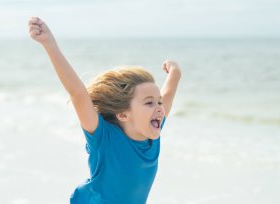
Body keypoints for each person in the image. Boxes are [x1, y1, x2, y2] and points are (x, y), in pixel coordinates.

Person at [28, 17, 182, 204]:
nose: (159, 108)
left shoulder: (151, 131)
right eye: (149, 103)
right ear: (124, 114)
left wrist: (175, 73)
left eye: (158, 103)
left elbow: (168, 95)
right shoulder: (104, 138)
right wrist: (49, 44)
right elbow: (78, 94)